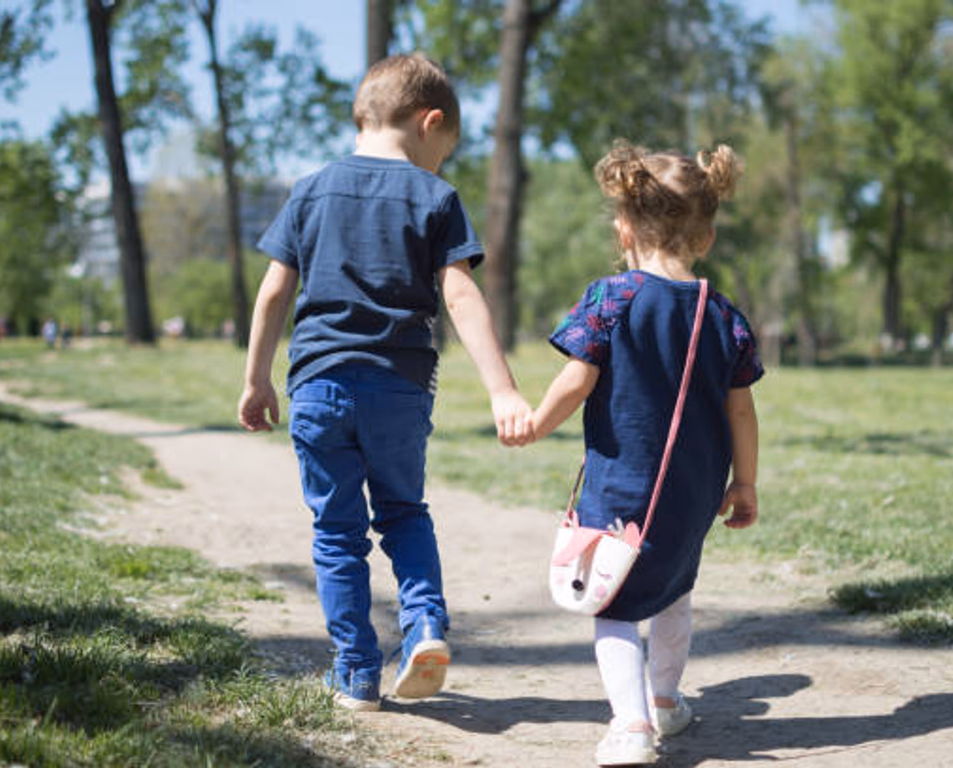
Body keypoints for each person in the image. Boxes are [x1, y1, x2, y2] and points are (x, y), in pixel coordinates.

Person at [238, 53, 533, 713]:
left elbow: (272, 294)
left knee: (336, 531)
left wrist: (257, 380)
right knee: (403, 512)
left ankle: (356, 673)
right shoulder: (435, 197)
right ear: (431, 123)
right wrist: (502, 389)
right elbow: (460, 297)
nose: (442, 165)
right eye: (445, 150)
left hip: (317, 387)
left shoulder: (310, 189)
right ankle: (425, 626)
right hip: (399, 389)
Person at [531, 140, 763, 765]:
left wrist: (535, 422)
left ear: (625, 229)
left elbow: (577, 381)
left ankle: (631, 725)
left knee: (614, 604)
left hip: (622, 486)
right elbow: (741, 408)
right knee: (673, 591)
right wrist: (745, 484)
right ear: (707, 237)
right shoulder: (724, 315)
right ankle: (663, 700)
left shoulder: (612, 300)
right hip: (693, 492)